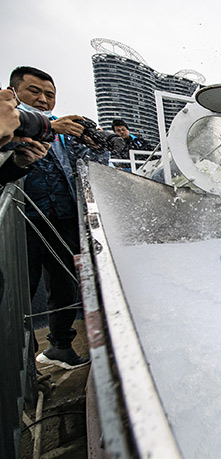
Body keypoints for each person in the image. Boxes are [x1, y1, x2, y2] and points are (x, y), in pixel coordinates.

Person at [10, 66, 108, 369]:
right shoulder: (12, 122)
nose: (42, 99)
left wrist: (96, 145)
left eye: (49, 95)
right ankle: (19, 365)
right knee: (19, 293)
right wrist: (51, 127)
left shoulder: (63, 133)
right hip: (20, 221)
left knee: (64, 285)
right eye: (34, 91)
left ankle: (61, 346)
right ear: (15, 92)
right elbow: (12, 139)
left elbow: (90, 165)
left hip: (62, 218)